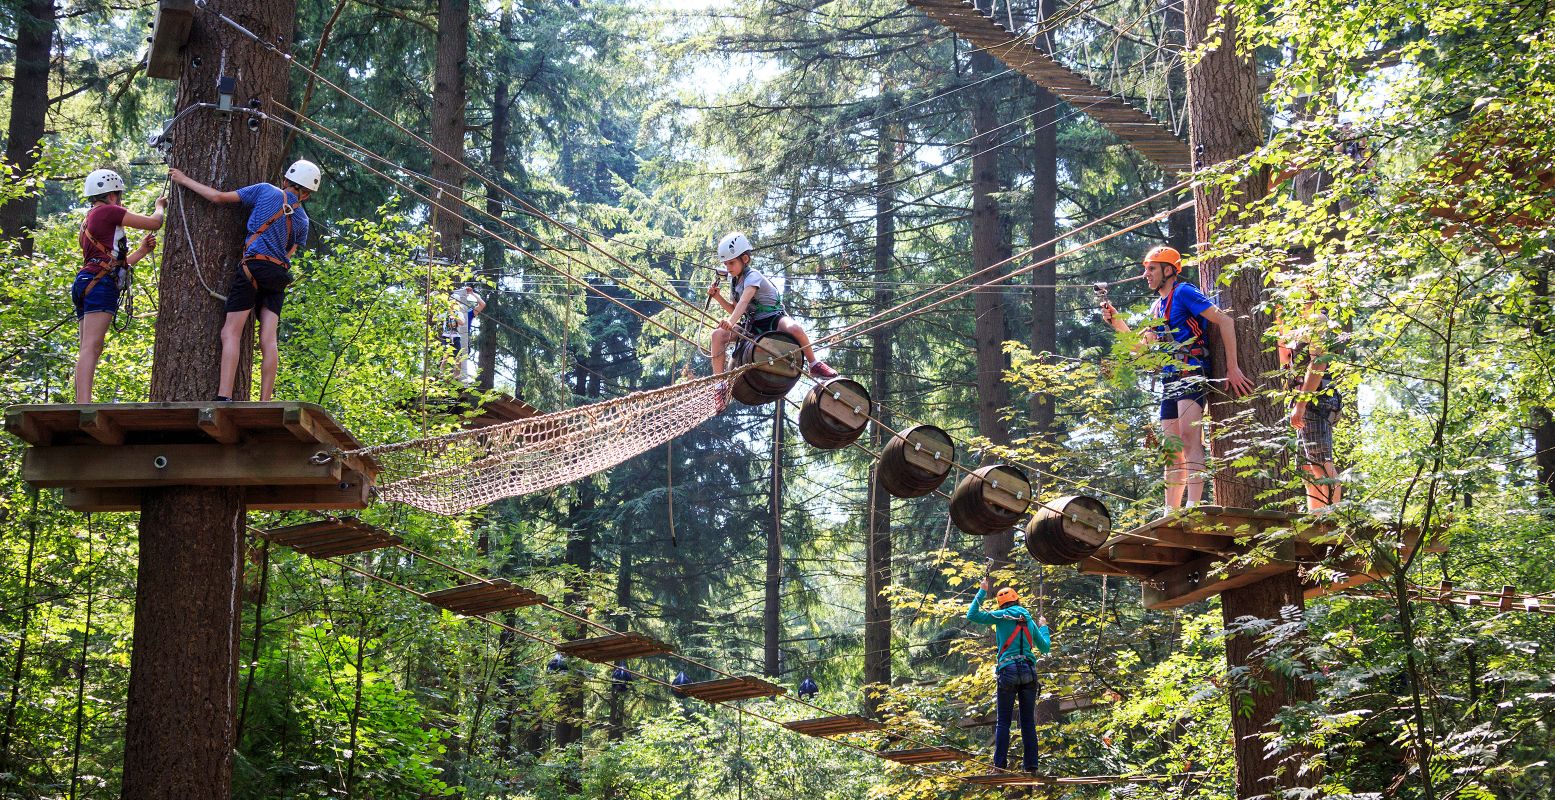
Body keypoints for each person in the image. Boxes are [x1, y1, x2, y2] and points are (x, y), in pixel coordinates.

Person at [1100, 245, 1254, 508]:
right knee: (1171, 447)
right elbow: (1141, 347)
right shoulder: (1156, 307)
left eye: (1151, 269)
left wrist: (1233, 367)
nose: (1145, 274)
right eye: (1145, 269)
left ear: (1169, 270)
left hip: (1192, 372)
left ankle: (1193, 505)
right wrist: (1116, 321)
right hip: (1170, 378)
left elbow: (1225, 321)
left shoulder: (1184, 292)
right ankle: (1170, 511)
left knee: (1188, 438)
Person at [169, 160, 320, 402]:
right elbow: (289, 251)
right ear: (307, 194)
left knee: (231, 332)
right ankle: (265, 402)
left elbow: (218, 197)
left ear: (285, 180)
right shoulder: (303, 220)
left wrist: (184, 179)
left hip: (254, 267)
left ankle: (224, 396)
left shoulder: (265, 190)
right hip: (278, 275)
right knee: (268, 340)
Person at [73, 169, 165, 402]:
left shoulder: (88, 220)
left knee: (87, 347)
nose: (119, 199)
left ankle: (81, 401)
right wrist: (159, 205)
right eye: (118, 195)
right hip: (99, 283)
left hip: (87, 280)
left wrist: (142, 251)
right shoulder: (109, 212)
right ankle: (83, 404)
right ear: (111, 194)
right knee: (91, 347)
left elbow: (113, 264)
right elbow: (154, 223)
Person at [708, 232, 837, 380]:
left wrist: (730, 322)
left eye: (731, 263)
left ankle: (814, 364)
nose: (728, 267)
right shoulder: (735, 283)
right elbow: (735, 308)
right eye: (726, 264)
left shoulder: (753, 276)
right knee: (717, 335)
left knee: (794, 328)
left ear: (744, 259)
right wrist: (717, 297)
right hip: (752, 325)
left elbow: (744, 302)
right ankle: (719, 383)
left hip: (773, 319)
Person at [967, 577, 1051, 774]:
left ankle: (999, 766)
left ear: (1001, 603)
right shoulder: (1028, 619)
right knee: (1028, 721)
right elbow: (1045, 647)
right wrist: (1044, 626)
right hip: (1029, 672)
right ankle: (1031, 766)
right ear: (1017, 600)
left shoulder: (1001, 616)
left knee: (1003, 721)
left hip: (1008, 670)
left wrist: (982, 590)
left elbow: (972, 614)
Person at [1278, 292, 1342, 511]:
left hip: (1316, 400)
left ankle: (1331, 522)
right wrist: (1280, 326)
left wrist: (1302, 404)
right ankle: (1316, 519)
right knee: (1308, 467)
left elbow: (1318, 365)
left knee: (1321, 463)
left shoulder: (1318, 320)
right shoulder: (1300, 327)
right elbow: (1285, 359)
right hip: (1305, 400)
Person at [442, 283, 486, 382]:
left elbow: (482, 304)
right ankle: (444, 379)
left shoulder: (469, 314)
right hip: (448, 337)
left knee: (459, 359)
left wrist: (472, 294)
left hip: (461, 340)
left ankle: (456, 380)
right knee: (446, 357)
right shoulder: (447, 313)